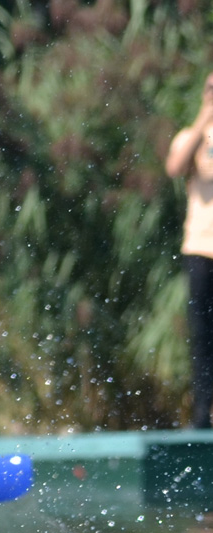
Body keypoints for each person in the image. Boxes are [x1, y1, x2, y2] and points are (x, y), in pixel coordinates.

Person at [167, 72, 213, 429]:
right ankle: (202, 415)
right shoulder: (192, 137)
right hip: (200, 248)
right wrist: (204, 118)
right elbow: (175, 167)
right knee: (201, 334)